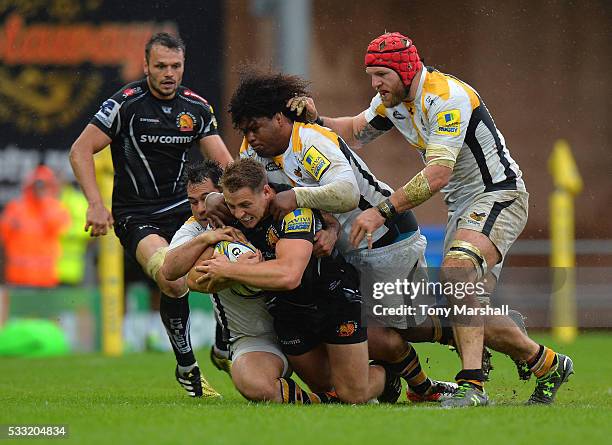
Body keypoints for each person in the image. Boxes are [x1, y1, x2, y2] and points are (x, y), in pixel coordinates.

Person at [288, 32, 573, 406]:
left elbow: (437, 175)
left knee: (456, 273)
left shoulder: (446, 98)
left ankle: (472, 386)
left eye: (380, 75)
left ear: (406, 70)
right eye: (371, 75)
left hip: (497, 193)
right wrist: (317, 119)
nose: (374, 84)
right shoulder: (393, 101)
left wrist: (381, 210)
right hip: (464, 206)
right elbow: (357, 131)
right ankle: (546, 363)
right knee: (457, 306)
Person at [222, 71, 457, 403]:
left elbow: (346, 194)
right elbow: (251, 195)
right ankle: (422, 386)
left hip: (386, 239)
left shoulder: (309, 140)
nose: (249, 137)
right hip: (345, 251)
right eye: (244, 131)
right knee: (376, 333)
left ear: (278, 118)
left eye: (254, 128)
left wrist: (299, 197)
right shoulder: (253, 153)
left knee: (406, 326)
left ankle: (477, 337)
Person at [69, 32, 233, 398]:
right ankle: (188, 367)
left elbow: (226, 164)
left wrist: (236, 200)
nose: (168, 73)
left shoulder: (197, 108)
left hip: (180, 209)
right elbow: (80, 151)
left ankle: (225, 343)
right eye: (160, 66)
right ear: (146, 66)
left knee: (230, 258)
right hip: (135, 214)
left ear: (183, 66)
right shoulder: (125, 104)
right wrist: (96, 204)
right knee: (171, 279)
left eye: (175, 66)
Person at [193, 158, 402, 404]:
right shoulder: (227, 218)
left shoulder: (293, 213)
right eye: (232, 205)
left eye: (246, 205)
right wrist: (206, 244)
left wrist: (229, 271)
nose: (240, 213)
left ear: (267, 192)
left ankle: (387, 375)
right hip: (289, 314)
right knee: (327, 387)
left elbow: (289, 276)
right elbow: (190, 279)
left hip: (333, 302)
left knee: (352, 395)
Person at [162, 160, 349, 404]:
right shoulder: (201, 229)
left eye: (206, 198)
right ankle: (321, 401)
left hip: (304, 319)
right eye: (192, 201)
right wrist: (210, 240)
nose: (201, 209)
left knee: (359, 379)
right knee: (253, 384)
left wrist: (332, 229)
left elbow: (318, 209)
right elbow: (177, 273)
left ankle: (393, 376)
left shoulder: (266, 205)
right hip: (255, 337)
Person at [0, 165, 69, 287]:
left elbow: (59, 228)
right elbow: (3, 236)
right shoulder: (15, 208)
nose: (39, 189)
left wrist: (45, 202)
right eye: (37, 185)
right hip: (17, 279)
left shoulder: (56, 208)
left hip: (46, 279)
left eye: (44, 185)